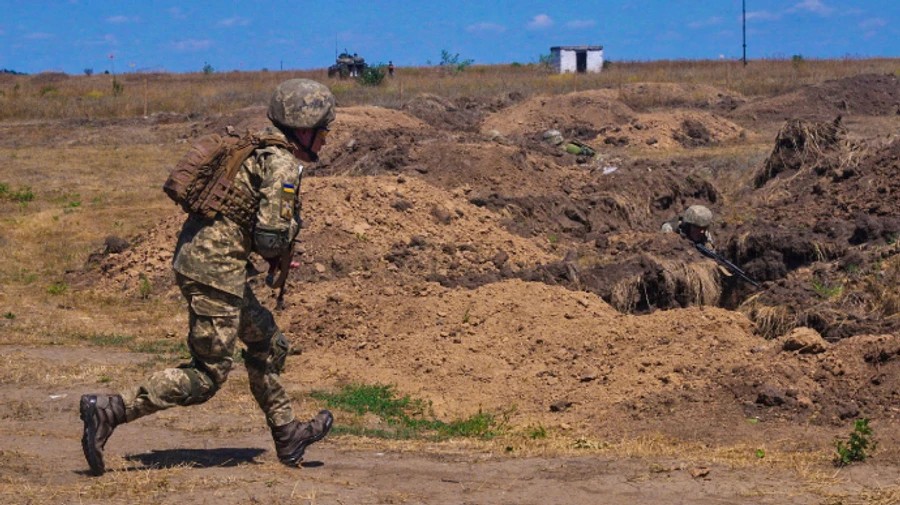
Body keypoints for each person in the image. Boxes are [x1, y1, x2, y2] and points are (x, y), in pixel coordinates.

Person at [79, 79, 336, 476]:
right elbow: (270, 237)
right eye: (323, 132)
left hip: (212, 266)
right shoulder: (282, 163)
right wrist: (285, 237)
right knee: (207, 375)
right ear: (304, 129)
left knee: (268, 343)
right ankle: (111, 410)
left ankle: (289, 435)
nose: (324, 141)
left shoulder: (255, 148)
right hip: (215, 272)